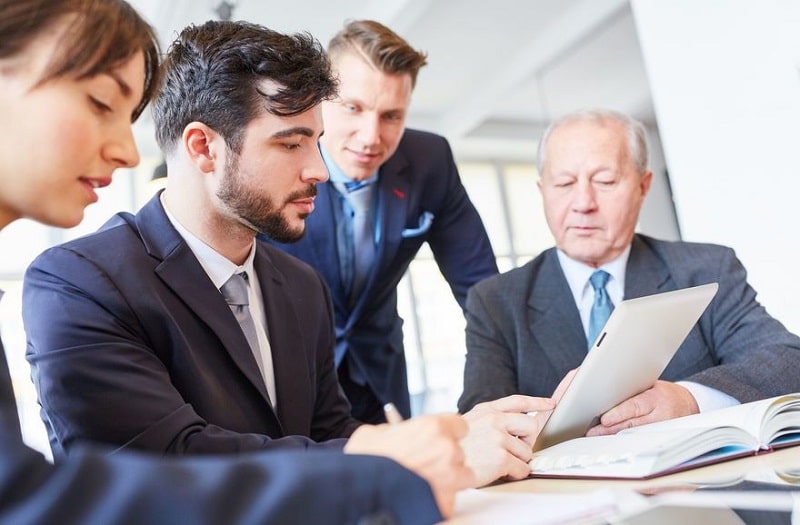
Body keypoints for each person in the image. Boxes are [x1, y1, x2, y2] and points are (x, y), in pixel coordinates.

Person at [23, 17, 555, 487]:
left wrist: (437, 446)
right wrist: (418, 452)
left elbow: (330, 435)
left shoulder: (301, 287)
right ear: (203, 147)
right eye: (290, 143)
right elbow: (165, 465)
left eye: (316, 143)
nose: (321, 171)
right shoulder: (78, 283)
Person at [458, 109, 800, 436]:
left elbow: (788, 360)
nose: (583, 203)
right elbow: (481, 418)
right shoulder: (496, 301)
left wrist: (688, 399)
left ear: (643, 186)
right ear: (542, 191)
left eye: (604, 181)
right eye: (563, 183)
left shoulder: (706, 269)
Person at [265, 20, 499, 424]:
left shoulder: (430, 162)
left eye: (391, 116)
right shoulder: (278, 158)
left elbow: (482, 290)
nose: (371, 136)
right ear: (320, 100)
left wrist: (489, 400)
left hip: (379, 374)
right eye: (353, 108)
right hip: (289, 374)